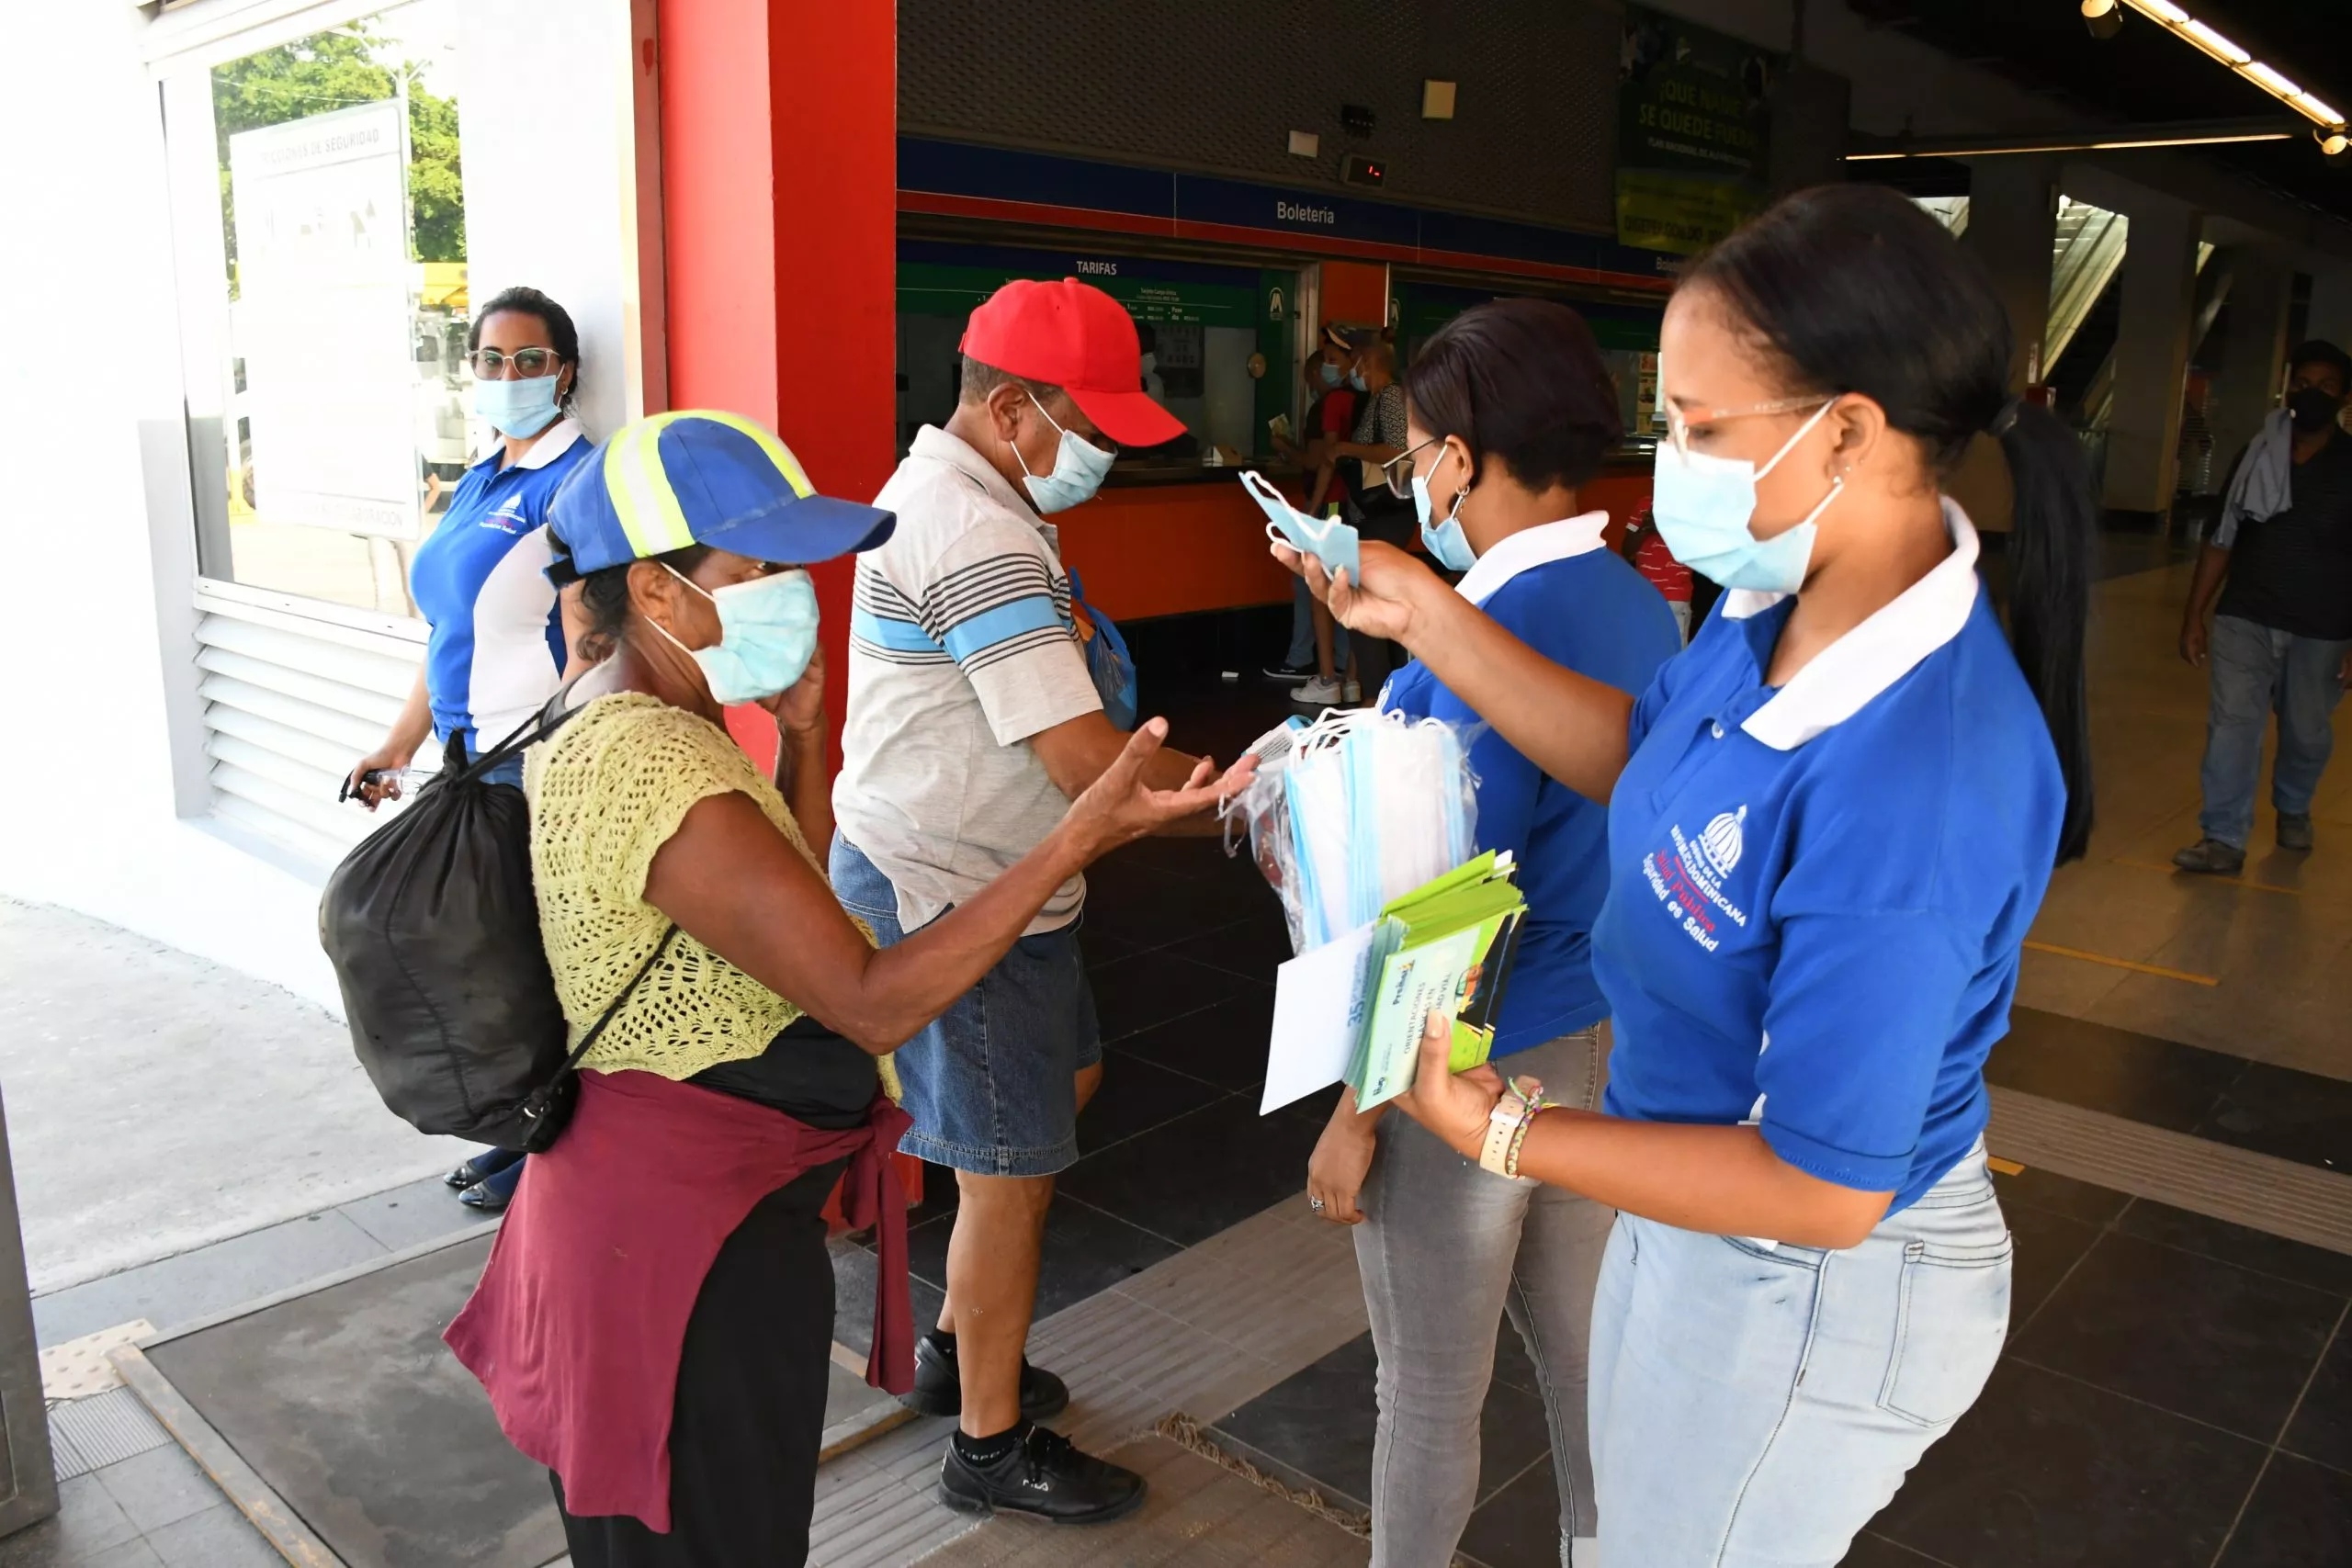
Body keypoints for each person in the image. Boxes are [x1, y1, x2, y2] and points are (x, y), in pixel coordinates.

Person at [1283, 185, 2093, 1565]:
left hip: (1811, 1269)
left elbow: (1826, 1185)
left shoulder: (1924, 772)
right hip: (1695, 1196)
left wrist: (1505, 1132)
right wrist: (1421, 604)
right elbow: (1641, 755)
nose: (1672, 464)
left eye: (1704, 430)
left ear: (1848, 430)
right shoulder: (1769, 608)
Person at [445, 412, 1248, 1566]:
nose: (790, 593)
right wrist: (1074, 841)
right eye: (758, 569)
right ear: (661, 597)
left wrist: (806, 742)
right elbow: (864, 997)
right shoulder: (651, 759)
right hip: (675, 1257)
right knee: (713, 1539)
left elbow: (796, 910)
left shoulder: (666, 728)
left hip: (698, 1219)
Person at [828, 276, 1226, 1522]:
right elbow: (1079, 761)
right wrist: (1265, 788)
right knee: (1012, 1170)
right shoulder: (977, 529)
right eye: (1090, 426)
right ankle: (988, 1445)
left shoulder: (973, 494)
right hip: (958, 890)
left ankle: (958, 1341)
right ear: (1011, 410)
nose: (1103, 454)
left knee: (1060, 1091)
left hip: (994, 881)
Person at [1304, 299, 1680, 1568]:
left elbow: (1453, 895)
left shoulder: (1474, 636)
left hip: (1463, 1064)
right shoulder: (1640, 606)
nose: (1413, 481)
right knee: (1589, 1364)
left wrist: (1360, 1107)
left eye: (1415, 454)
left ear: (1457, 457)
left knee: (1424, 1390)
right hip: (1592, 1044)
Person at [344, 284, 595, 1214]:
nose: (507, 376)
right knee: (486, 962)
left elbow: (595, 636)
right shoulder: (480, 476)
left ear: (564, 372)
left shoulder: (578, 483)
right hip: (463, 761)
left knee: (541, 964)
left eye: (528, 360)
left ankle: (552, 1145)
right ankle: (524, 1125)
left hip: (533, 763)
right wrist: (395, 745)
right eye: (491, 360)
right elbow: (449, 628)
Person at [2173, 339, 2352, 875]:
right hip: (2245, 614)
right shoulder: (2257, 453)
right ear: (2287, 385)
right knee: (2233, 724)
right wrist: (2194, 615)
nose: (2311, 395)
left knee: (2306, 731)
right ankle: (2223, 837)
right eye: (2303, 383)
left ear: (2345, 397)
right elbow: (2222, 537)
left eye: (2325, 387)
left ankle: (2293, 805)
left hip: (2323, 625)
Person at [1268, 325, 1360, 697]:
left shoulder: (1334, 404)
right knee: (1344, 582)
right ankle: (1346, 671)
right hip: (1350, 506)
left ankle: (1318, 669)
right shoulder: (1360, 398)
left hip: (1331, 504)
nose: (1324, 370)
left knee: (1316, 582)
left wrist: (1310, 506)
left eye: (1331, 361)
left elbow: (1323, 460)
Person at [1320, 334, 1414, 699]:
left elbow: (1395, 450)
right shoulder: (1376, 399)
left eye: (1357, 361)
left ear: (1369, 363)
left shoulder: (1390, 396)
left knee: (1364, 604)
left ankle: (1380, 694)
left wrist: (1344, 447)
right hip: (1373, 514)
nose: (1351, 369)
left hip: (1385, 514)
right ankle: (1379, 691)